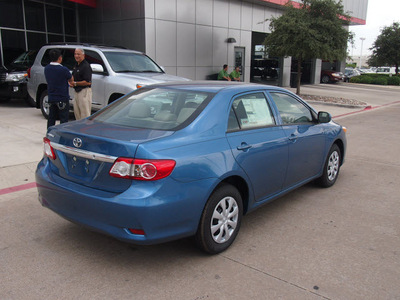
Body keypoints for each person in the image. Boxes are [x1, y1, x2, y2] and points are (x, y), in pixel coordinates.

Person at [44, 49, 74, 129]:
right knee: (63, 120)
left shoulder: (47, 68)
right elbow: (71, 79)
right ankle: (61, 136)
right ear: (60, 58)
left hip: (51, 97)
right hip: (62, 97)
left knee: (51, 118)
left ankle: (49, 135)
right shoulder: (64, 69)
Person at [70, 48, 92, 120]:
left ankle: (85, 130)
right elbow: (73, 77)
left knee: (85, 115)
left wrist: (75, 83)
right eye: (75, 54)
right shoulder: (76, 65)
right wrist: (71, 82)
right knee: (77, 115)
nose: (76, 56)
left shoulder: (86, 66)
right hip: (76, 92)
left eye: (78, 54)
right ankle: (78, 129)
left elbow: (88, 81)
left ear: (83, 55)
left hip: (84, 92)